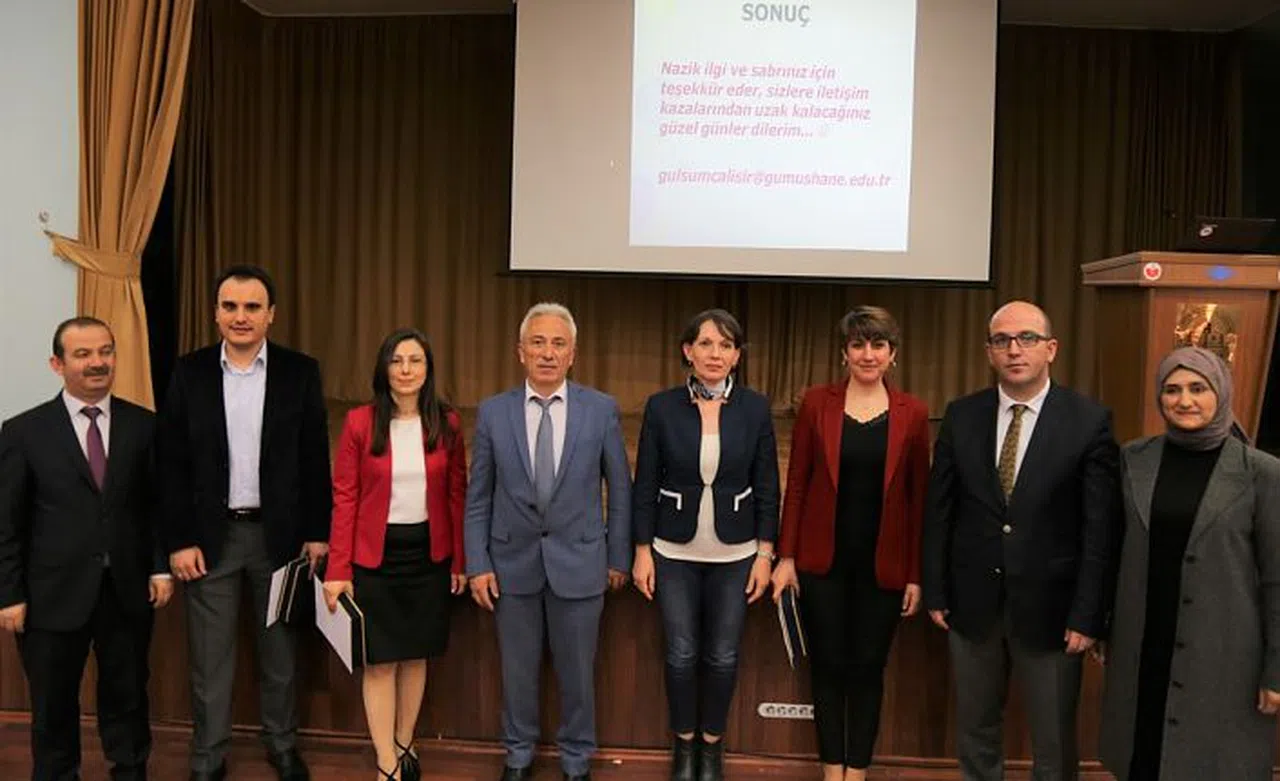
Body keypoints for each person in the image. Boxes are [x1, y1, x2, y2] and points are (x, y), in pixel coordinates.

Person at [921, 300, 1120, 781]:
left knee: (1053, 742)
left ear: (1051, 349)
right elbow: (939, 511)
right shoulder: (961, 415)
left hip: (1054, 612)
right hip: (973, 606)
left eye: (1027, 338)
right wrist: (936, 590)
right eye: (1002, 340)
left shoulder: (1088, 421)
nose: (1014, 350)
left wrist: (1088, 614)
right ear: (989, 352)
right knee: (975, 731)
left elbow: (1100, 528)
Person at [156, 265, 332, 781]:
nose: (241, 316)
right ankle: (208, 756)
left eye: (252, 307)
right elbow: (171, 463)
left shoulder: (300, 372)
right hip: (210, 540)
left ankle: (282, 746)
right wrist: (179, 539)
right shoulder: (188, 372)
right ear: (215, 313)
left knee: (281, 654)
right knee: (210, 660)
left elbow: (313, 458)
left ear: (270, 315)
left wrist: (317, 531)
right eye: (230, 306)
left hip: (280, 539)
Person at [464, 302, 632, 781]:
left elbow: (620, 490)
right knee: (517, 672)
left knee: (577, 674)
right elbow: (478, 496)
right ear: (520, 351)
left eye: (558, 344)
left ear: (572, 354)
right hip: (510, 564)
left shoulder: (600, 410)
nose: (547, 353)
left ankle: (576, 760)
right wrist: (478, 562)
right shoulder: (493, 412)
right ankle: (518, 755)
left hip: (581, 562)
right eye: (537, 342)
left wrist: (618, 557)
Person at [0, 317, 172, 781]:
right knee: (53, 702)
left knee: (128, 693)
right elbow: (7, 521)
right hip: (50, 595)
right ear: (57, 364)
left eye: (105, 351)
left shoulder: (144, 425)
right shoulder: (23, 431)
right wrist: (8, 593)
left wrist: (160, 567)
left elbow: (156, 505)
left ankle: (130, 770)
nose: (97, 362)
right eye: (83, 354)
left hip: (127, 589)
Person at [1098, 347, 1280, 781]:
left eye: (1198, 388)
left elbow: (1277, 578)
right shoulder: (1133, 459)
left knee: (1214, 764)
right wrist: (1104, 625)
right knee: (1142, 757)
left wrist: (1276, 668)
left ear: (1221, 392)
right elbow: (1112, 547)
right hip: (1144, 640)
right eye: (1172, 389)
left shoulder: (1262, 472)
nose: (1184, 400)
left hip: (1225, 653)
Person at [770, 306, 929, 781]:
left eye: (878, 345)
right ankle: (831, 772)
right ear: (845, 353)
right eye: (858, 345)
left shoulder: (913, 413)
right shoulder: (817, 403)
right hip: (822, 565)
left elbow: (918, 499)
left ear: (893, 354)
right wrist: (786, 556)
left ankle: (856, 772)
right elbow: (798, 484)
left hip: (884, 568)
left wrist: (916, 574)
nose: (868, 354)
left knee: (867, 670)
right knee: (827, 668)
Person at [631, 309, 780, 781]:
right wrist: (641, 550)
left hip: (736, 554)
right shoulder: (662, 407)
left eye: (726, 346)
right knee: (680, 655)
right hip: (673, 552)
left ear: (736, 357)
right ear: (688, 351)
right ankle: (684, 747)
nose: (715, 354)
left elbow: (768, 486)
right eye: (706, 344)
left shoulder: (755, 408)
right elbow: (644, 483)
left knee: (722, 656)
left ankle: (711, 748)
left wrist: (765, 553)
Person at [323, 328, 468, 781]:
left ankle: (406, 742)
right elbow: (345, 496)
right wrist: (338, 567)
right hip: (375, 559)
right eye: (396, 360)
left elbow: (457, 495)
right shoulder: (360, 423)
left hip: (428, 556)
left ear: (428, 369)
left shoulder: (447, 423)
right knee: (381, 661)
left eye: (415, 361)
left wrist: (460, 560)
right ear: (383, 368)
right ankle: (386, 759)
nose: (406, 370)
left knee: (416, 656)